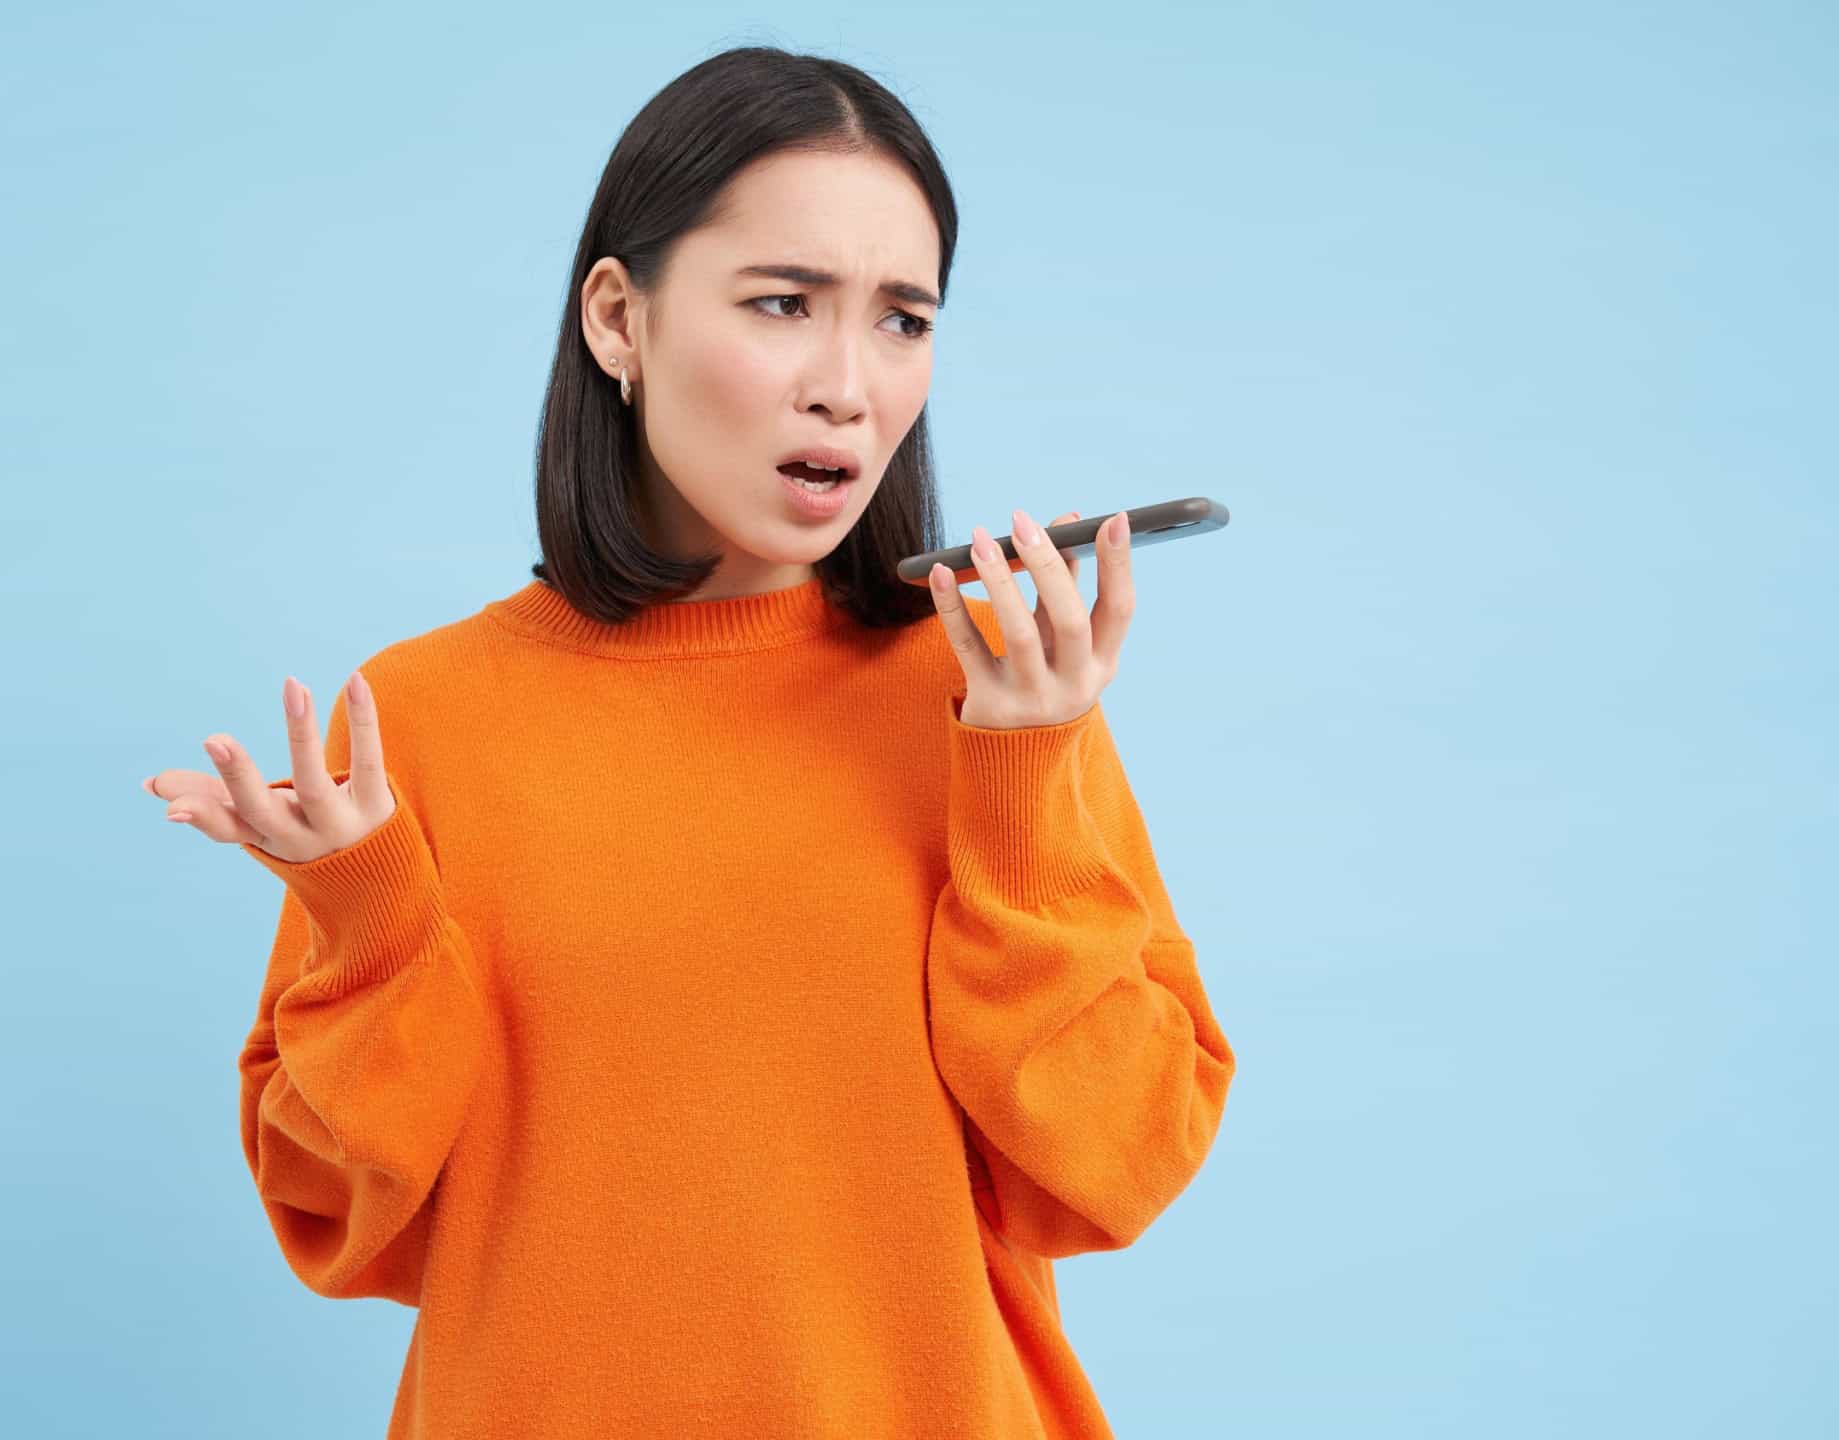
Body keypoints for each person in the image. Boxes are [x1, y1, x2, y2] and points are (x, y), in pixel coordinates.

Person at [139, 44, 1236, 1440]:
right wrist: (374, 926)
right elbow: (343, 1226)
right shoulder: (421, 716)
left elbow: (1113, 1170)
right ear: (619, 319)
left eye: (903, 320)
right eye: (784, 304)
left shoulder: (992, 696)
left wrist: (1024, 781)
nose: (848, 386)